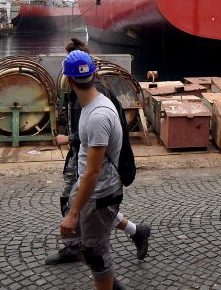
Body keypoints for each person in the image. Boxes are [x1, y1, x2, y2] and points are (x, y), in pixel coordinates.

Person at [47, 38, 150, 265]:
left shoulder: (93, 98)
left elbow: (96, 135)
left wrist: (69, 138)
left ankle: (76, 247)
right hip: (86, 156)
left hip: (97, 163)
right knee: (92, 205)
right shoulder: (92, 89)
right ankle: (135, 231)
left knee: (76, 204)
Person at [57, 50, 126, 290]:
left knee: (97, 254)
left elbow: (93, 172)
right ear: (94, 74)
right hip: (89, 192)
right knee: (78, 244)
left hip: (100, 195)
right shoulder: (92, 105)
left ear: (68, 80)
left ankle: (107, 282)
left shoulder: (98, 116)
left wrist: (74, 212)